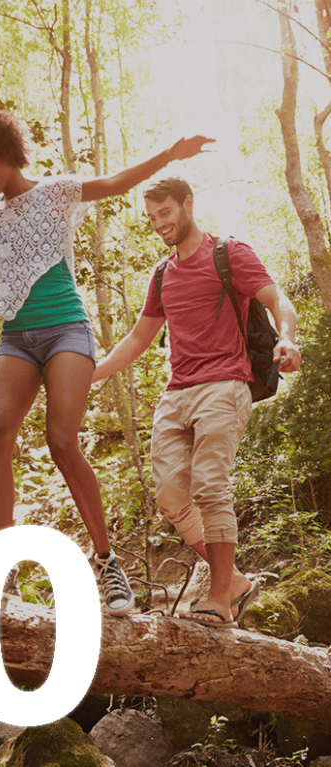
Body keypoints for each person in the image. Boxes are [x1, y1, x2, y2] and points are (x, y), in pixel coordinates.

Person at [0, 105, 212, 616]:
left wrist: (170, 154)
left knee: (61, 440)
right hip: (17, 338)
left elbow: (116, 182)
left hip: (66, 329)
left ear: (4, 151)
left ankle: (107, 563)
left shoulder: (56, 192)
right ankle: (3, 568)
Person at [92, 176, 301, 627]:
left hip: (225, 384)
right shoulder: (162, 274)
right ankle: (237, 582)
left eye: (165, 212)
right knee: (171, 496)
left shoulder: (228, 253)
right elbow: (138, 338)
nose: (158, 223)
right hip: (177, 392)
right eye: (151, 217)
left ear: (187, 204)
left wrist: (287, 337)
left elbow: (276, 298)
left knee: (210, 486)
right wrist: (88, 374)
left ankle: (219, 598)